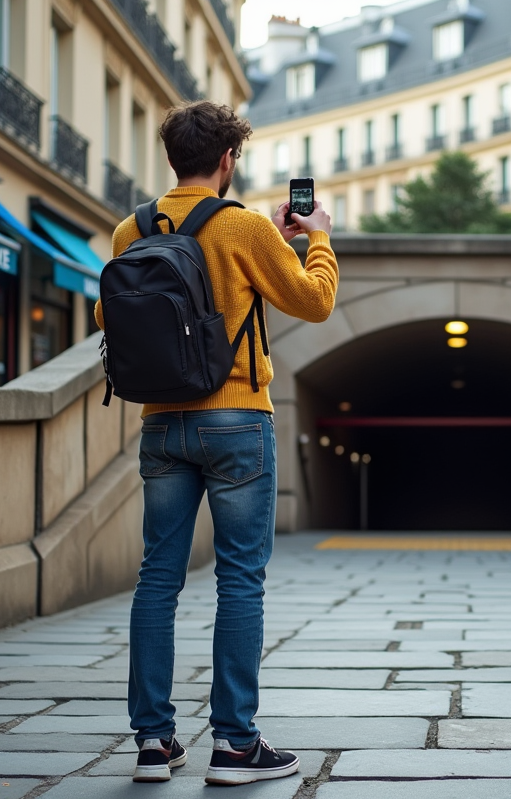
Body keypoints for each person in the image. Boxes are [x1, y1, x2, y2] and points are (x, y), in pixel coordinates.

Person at [93, 101, 338, 785]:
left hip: (161, 424)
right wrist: (315, 237)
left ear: (172, 156)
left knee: (157, 579)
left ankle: (153, 742)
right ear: (228, 159)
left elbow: (106, 312)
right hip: (235, 422)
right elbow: (313, 301)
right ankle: (233, 744)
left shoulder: (129, 229)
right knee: (239, 582)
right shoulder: (245, 227)